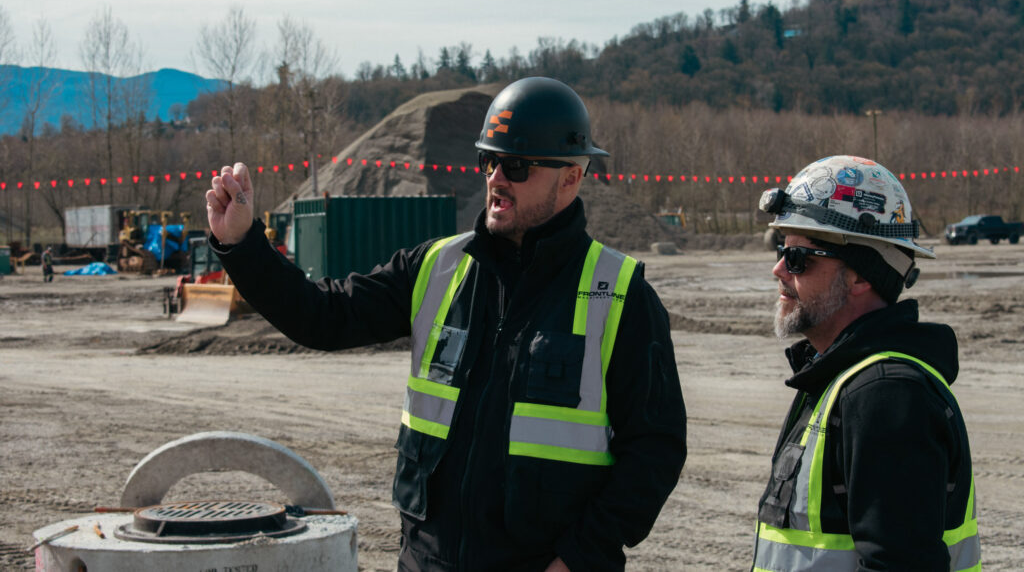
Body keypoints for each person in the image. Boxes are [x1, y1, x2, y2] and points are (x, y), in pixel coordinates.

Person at [205, 77, 687, 572]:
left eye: (517, 166)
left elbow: (655, 450)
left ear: (571, 177)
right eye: (488, 161)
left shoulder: (620, 294)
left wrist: (581, 557)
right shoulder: (434, 268)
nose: (496, 179)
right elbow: (322, 316)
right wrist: (243, 246)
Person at [751, 155, 980, 571]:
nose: (778, 268)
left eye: (799, 256)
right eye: (781, 248)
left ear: (860, 276)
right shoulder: (838, 379)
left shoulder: (886, 396)